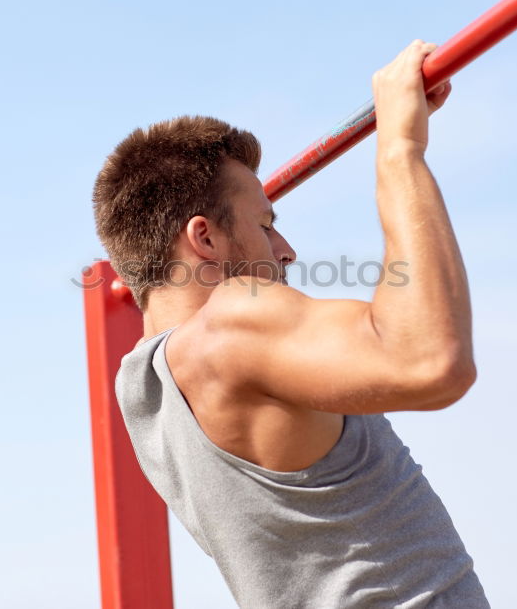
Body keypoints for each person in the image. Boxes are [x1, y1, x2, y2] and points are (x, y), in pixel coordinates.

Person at [92, 40, 489, 608]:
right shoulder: (228, 327)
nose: (286, 249)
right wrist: (401, 149)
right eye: (266, 223)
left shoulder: (140, 389)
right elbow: (432, 360)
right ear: (203, 237)